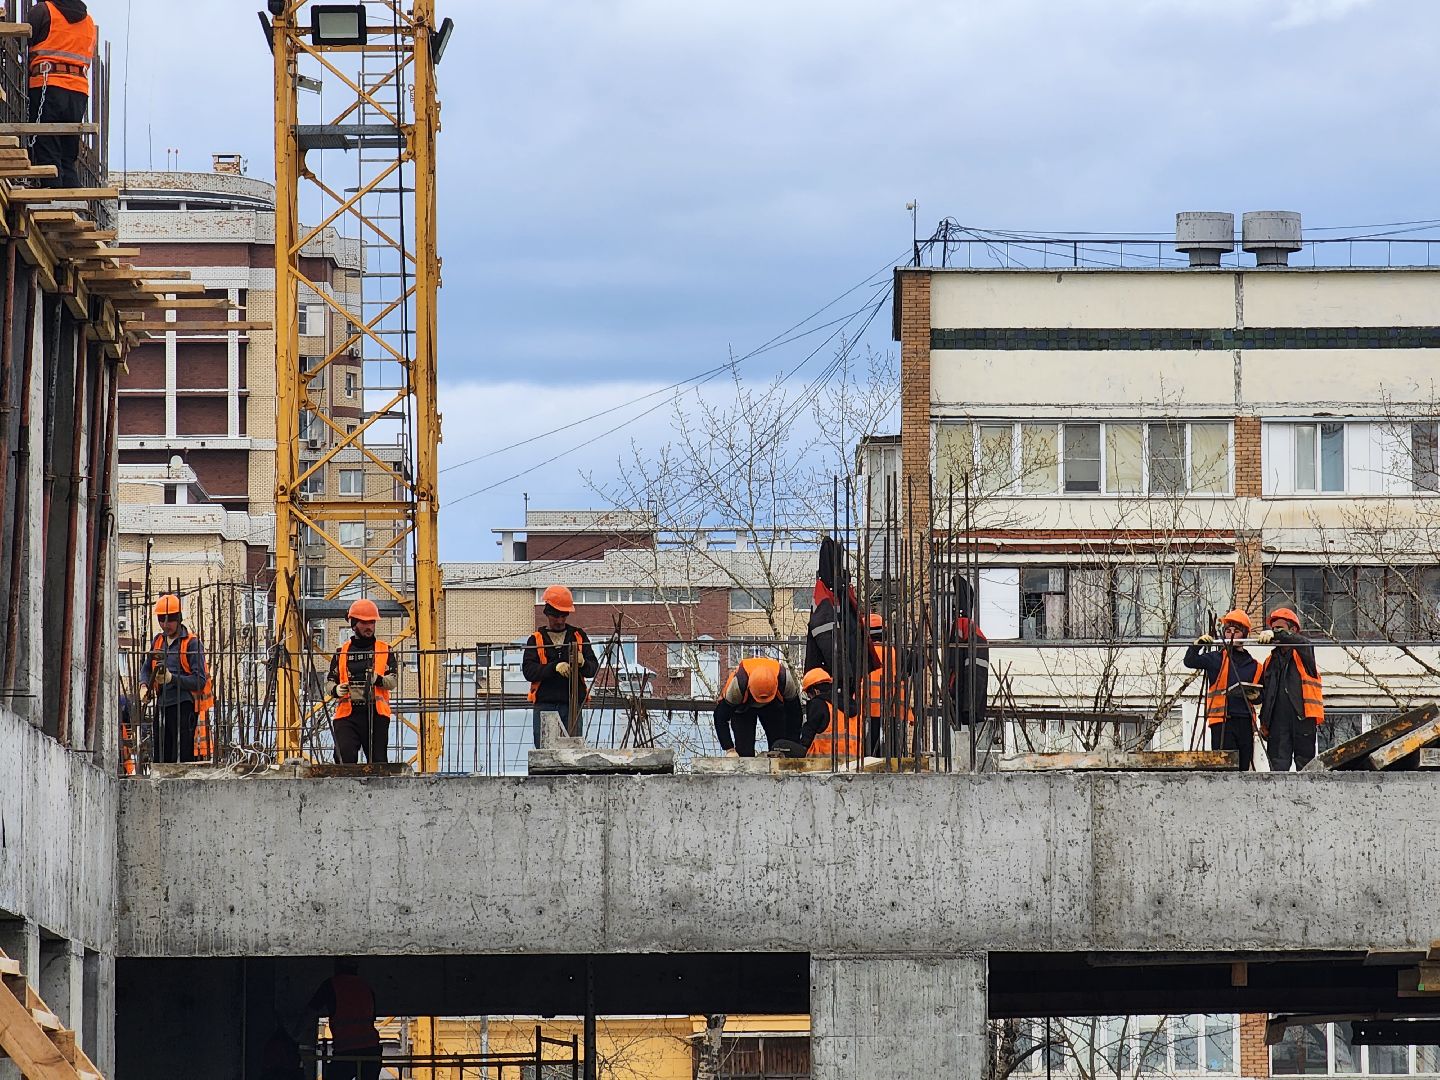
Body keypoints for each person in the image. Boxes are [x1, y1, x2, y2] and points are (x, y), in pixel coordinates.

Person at [26, 0, 95, 188]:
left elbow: (21, 41)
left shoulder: (43, 11)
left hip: (48, 85)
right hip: (78, 91)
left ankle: (54, 196)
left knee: (47, 145)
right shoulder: (88, 21)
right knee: (67, 151)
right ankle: (72, 198)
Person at [521, 585, 599, 746]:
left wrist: (583, 662)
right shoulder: (536, 640)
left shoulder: (578, 636)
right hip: (545, 705)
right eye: (556, 615)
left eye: (564, 615)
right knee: (545, 753)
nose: (560, 620)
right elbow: (529, 671)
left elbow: (592, 669)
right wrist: (554, 667)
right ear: (547, 613)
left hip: (572, 706)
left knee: (573, 753)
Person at [1183, 608, 1260, 771]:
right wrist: (1196, 646)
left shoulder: (1255, 666)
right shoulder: (1215, 659)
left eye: (1237, 631)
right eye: (1228, 631)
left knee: (1243, 767)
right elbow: (1190, 661)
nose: (1231, 635)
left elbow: (1261, 697)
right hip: (1222, 721)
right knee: (1223, 767)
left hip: (1245, 721)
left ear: (1245, 634)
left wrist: (1255, 695)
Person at [141, 594, 213, 764]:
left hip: (184, 706)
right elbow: (146, 667)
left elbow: (199, 680)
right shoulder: (158, 641)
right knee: (161, 756)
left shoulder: (191, 643)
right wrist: (144, 685)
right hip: (163, 704)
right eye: (161, 620)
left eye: (170, 620)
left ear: (179, 618)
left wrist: (171, 678)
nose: (165, 624)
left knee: (181, 757)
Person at [326, 598, 397, 765]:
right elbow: (329, 682)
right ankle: (346, 789)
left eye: (372, 622)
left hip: (376, 714)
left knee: (378, 762)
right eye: (364, 623)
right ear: (354, 624)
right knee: (345, 758)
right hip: (348, 714)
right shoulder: (341, 652)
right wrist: (336, 690)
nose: (369, 627)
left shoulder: (384, 650)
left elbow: (392, 681)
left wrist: (377, 680)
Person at [1255, 606, 1325, 771]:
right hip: (1277, 724)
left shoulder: (1303, 654)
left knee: (1306, 767)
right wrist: (1254, 696)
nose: (1275, 632)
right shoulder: (1269, 662)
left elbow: (1303, 642)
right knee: (1278, 770)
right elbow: (1263, 694)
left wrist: (1278, 635)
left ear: (1293, 630)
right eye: (1273, 629)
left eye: (1279, 628)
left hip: (1302, 720)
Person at [300, 959, 383, 1080]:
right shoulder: (366, 986)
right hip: (371, 1052)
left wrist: (295, 1036)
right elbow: (370, 1018)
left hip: (346, 1052)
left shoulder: (331, 985)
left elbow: (310, 1011)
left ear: (337, 966)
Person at [713, 655, 800, 757]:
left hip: (774, 706)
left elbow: (795, 714)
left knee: (779, 746)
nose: (761, 702)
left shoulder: (785, 680)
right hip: (743, 707)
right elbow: (720, 717)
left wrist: (792, 745)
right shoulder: (737, 686)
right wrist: (729, 748)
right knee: (744, 751)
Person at [861, 613, 913, 756]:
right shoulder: (897, 652)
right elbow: (917, 661)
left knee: (867, 757)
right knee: (891, 757)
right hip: (892, 712)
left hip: (865, 712)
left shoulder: (859, 653)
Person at [799, 667, 863, 763]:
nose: (809, 698)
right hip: (854, 764)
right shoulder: (851, 704)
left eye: (809, 694)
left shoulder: (819, 704)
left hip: (823, 765)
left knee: (780, 745)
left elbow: (807, 737)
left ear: (815, 691)